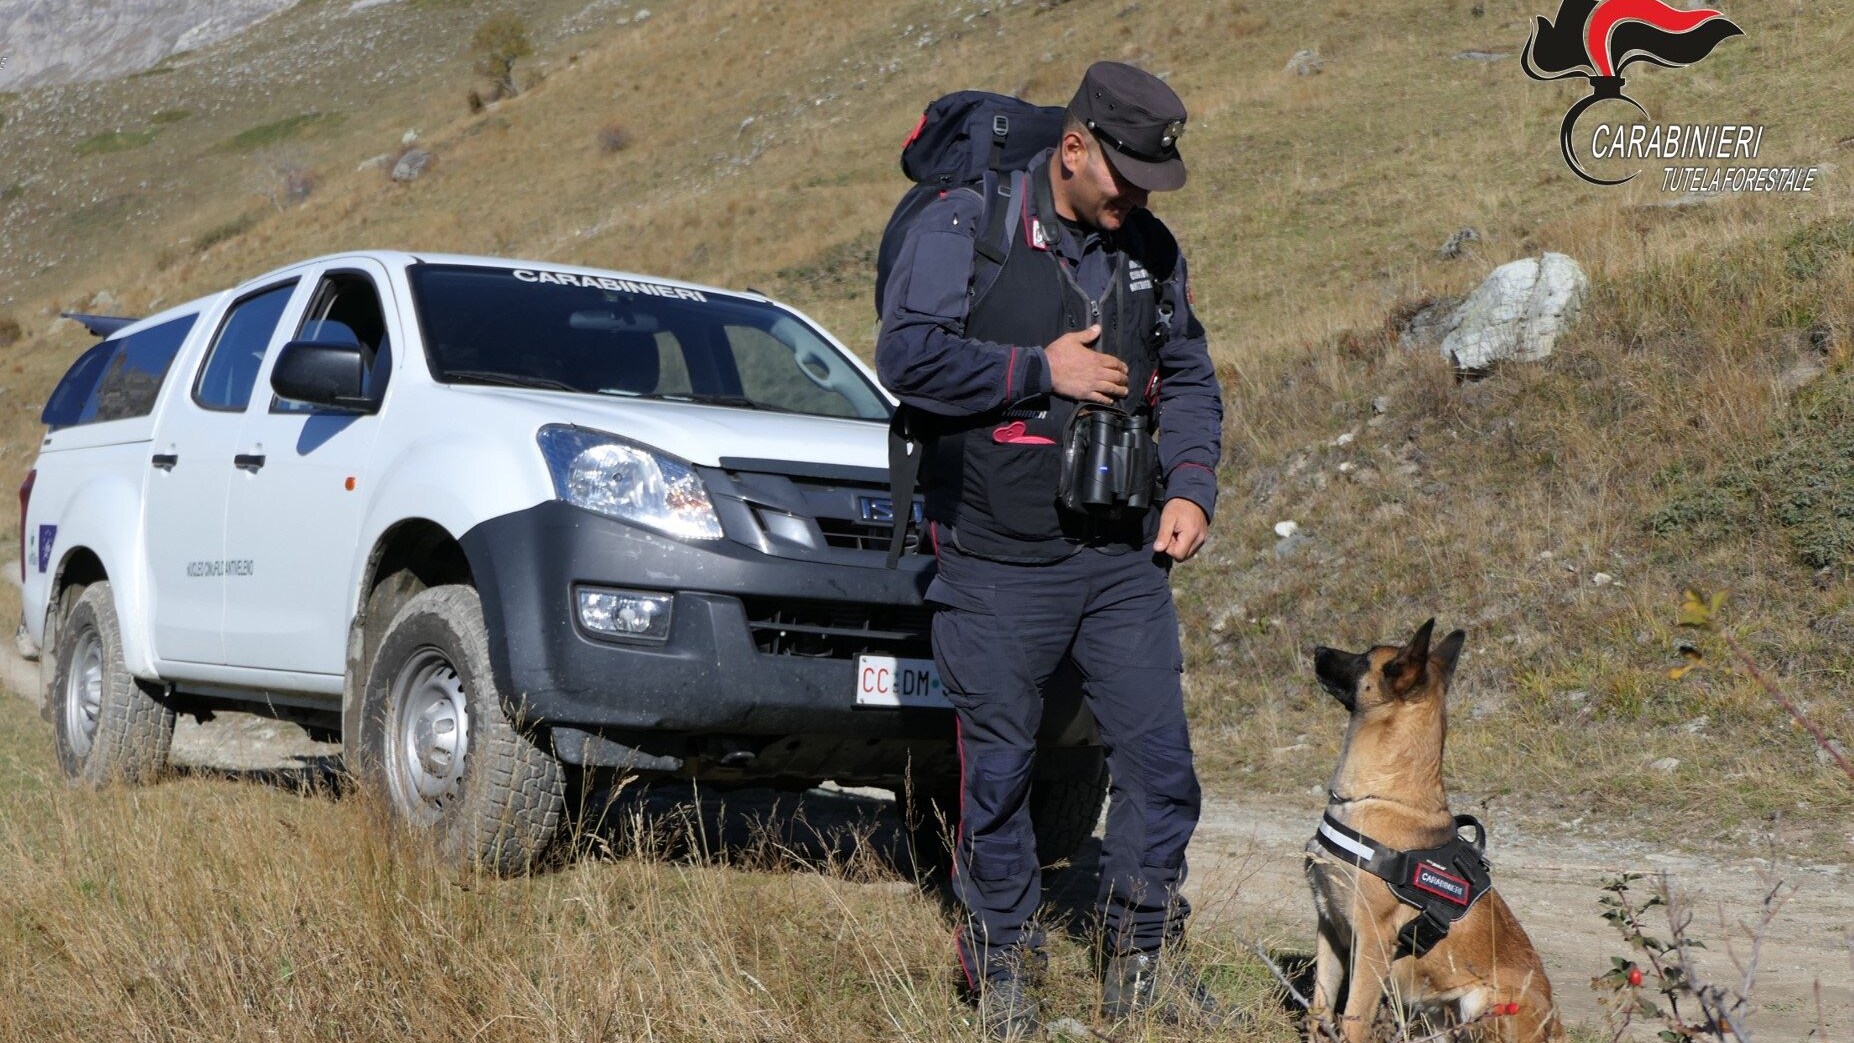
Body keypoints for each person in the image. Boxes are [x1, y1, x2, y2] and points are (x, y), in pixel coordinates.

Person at [875, 61, 1224, 1037]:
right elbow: (906, 357)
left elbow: (1191, 376)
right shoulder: (966, 226)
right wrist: (1043, 369)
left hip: (1120, 561)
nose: (1139, 199)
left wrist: (1191, 485)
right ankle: (1007, 969)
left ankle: (1141, 959)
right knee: (1000, 779)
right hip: (991, 559)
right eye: (1127, 178)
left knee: (1160, 766)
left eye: (1153, 183)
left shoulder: (1151, 249)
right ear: (1073, 149)